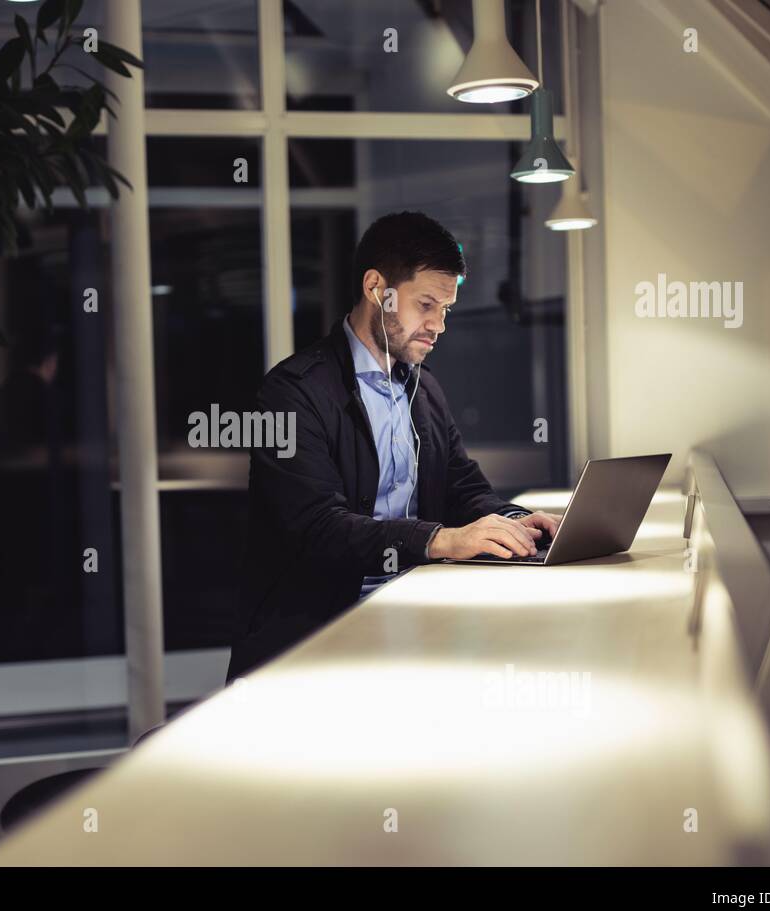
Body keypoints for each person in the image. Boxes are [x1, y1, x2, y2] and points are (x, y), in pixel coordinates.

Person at [229, 211, 561, 682]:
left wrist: (512, 523)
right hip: (317, 643)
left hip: (413, 617)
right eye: (426, 305)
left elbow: (462, 486)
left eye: (445, 310)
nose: (438, 325)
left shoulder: (422, 390)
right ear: (375, 288)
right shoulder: (292, 392)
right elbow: (317, 529)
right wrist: (439, 539)